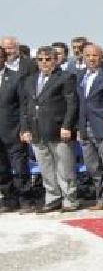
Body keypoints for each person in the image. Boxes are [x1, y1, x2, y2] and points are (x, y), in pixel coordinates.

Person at [19, 45, 79, 212]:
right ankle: (53, 198)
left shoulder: (66, 77)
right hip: (36, 130)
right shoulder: (30, 80)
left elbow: (72, 104)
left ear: (56, 60)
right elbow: (25, 107)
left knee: (64, 167)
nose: (44, 62)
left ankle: (70, 199)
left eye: (48, 59)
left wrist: (67, 126)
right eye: (40, 59)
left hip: (58, 130)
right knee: (45, 167)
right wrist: (25, 129)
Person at [76, 43, 103, 211]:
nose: (91, 59)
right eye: (87, 55)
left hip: (102, 125)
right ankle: (102, 198)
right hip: (85, 127)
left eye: (95, 55)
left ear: (102, 57)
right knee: (93, 167)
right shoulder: (81, 76)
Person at [0, 35, 38, 211]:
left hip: (13, 130)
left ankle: (26, 199)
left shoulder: (15, 78)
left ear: (4, 59)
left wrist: (24, 128)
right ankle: (9, 199)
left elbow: (24, 106)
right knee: (1, 169)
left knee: (20, 167)